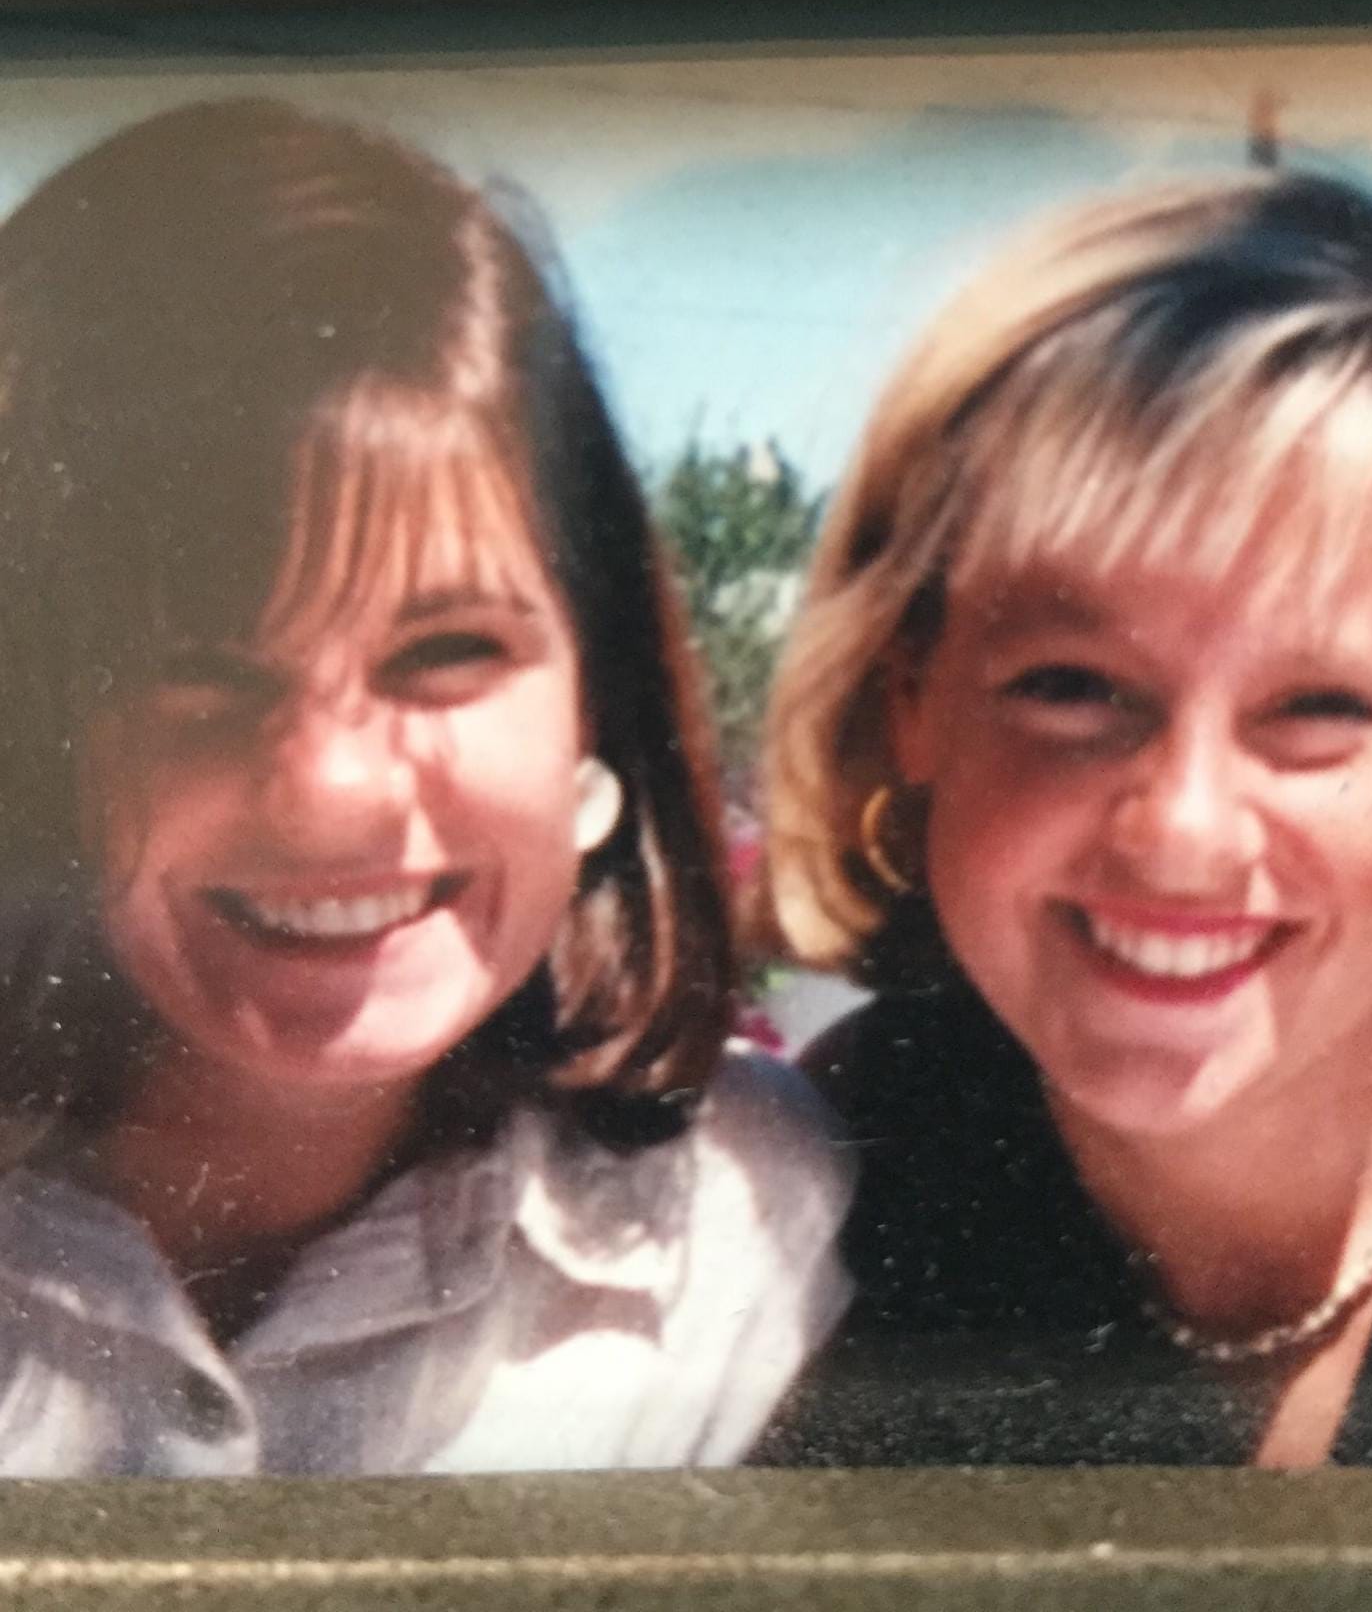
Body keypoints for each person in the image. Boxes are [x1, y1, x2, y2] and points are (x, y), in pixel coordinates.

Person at [0, 97, 852, 1476]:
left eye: (446, 652)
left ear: (597, 694)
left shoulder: (749, 1245)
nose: (335, 792)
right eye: (201, 678)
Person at [758, 170, 1372, 1466]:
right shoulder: (794, 1229)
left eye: (1318, 706)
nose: (1183, 830)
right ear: (912, 696)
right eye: (1073, 689)